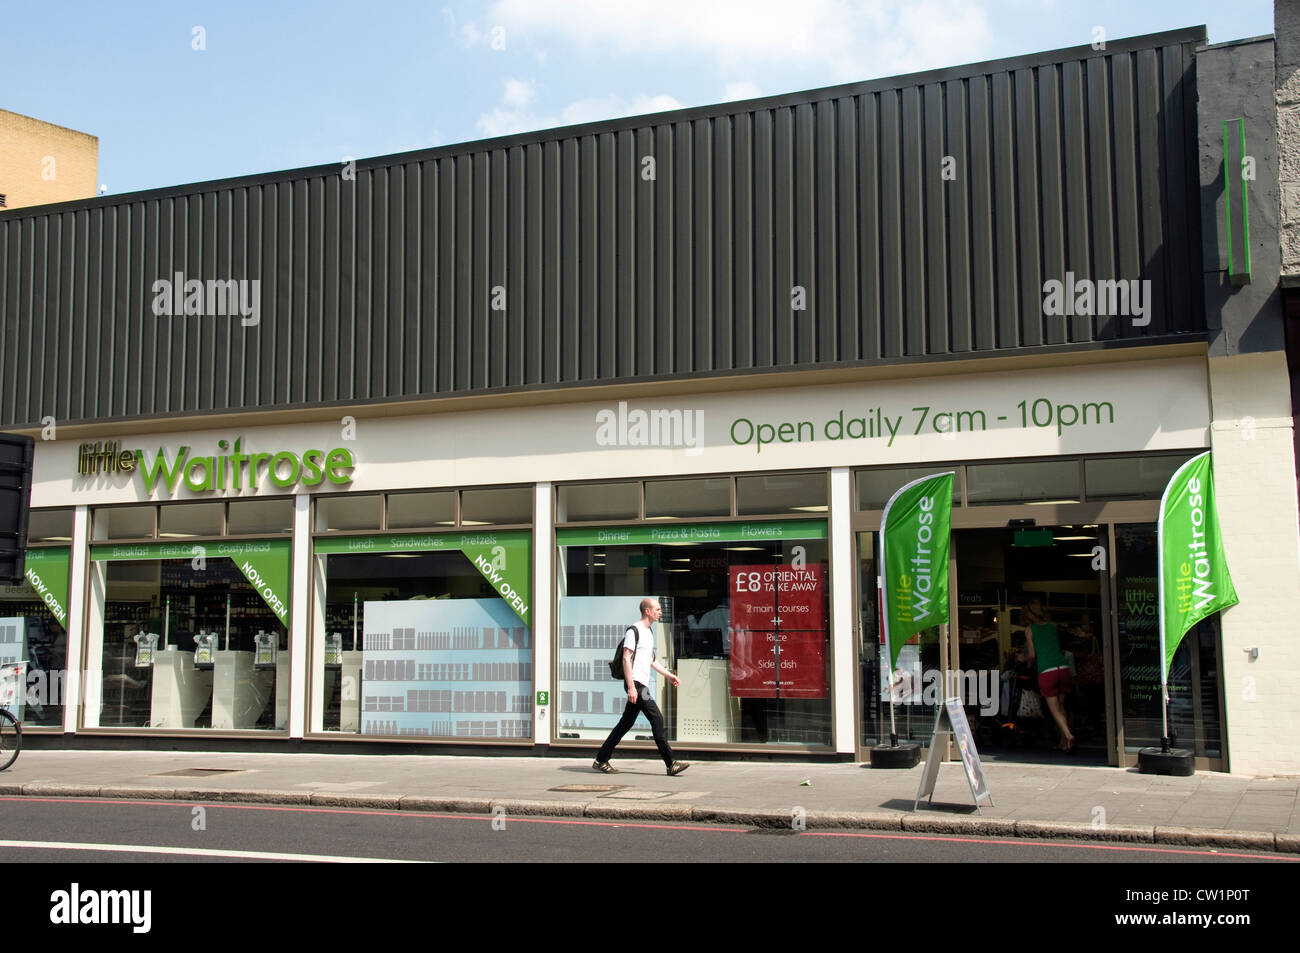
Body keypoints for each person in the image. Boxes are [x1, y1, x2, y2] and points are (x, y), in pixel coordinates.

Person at [593, 598, 690, 776]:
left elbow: (651, 660)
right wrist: (631, 686)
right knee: (657, 718)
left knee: (625, 724)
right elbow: (626, 658)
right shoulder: (634, 631)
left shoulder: (649, 632)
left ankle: (601, 760)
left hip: (640, 684)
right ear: (647, 611)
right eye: (657, 609)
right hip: (637, 684)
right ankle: (671, 763)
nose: (660, 612)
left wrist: (669, 675)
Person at [1019, 597, 1074, 751]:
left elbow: (1031, 655)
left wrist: (1021, 657)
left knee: (1054, 709)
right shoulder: (1052, 626)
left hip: (1047, 671)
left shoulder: (1030, 630)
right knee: (1062, 707)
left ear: (1030, 614)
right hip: (1062, 668)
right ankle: (1064, 743)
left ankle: (1068, 735)